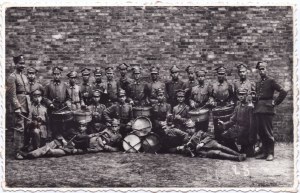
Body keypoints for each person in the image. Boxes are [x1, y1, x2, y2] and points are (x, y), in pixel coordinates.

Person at [253, 61, 287, 161]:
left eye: (263, 69)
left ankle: (270, 153)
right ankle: (264, 152)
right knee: (261, 132)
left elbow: (283, 91)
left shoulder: (271, 81)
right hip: (258, 109)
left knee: (268, 132)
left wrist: (275, 102)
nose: (261, 71)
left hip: (267, 110)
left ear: (266, 69)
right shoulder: (258, 83)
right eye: (260, 69)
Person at [218, 89, 256, 157]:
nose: (241, 96)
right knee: (225, 135)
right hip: (238, 129)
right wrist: (224, 124)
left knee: (249, 154)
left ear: (246, 95)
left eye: (243, 94)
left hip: (246, 131)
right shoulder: (237, 107)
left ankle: (246, 149)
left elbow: (252, 124)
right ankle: (235, 151)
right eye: (240, 95)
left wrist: (252, 137)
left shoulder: (250, 107)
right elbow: (232, 120)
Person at [6, 55, 31, 158]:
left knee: (27, 128)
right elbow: (11, 94)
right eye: (20, 63)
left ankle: (24, 149)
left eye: (23, 63)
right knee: (19, 128)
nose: (23, 65)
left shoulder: (24, 76)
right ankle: (17, 152)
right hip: (19, 105)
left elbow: (27, 92)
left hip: (27, 104)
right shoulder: (12, 77)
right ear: (15, 64)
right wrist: (17, 107)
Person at [179, 129, 247, 162]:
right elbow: (184, 152)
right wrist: (187, 149)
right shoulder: (186, 140)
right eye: (189, 128)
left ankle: (239, 154)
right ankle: (236, 158)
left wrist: (202, 143)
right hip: (202, 151)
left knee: (220, 146)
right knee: (217, 153)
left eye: (192, 127)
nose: (191, 129)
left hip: (210, 143)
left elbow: (211, 135)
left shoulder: (199, 132)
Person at [211, 66, 237, 151]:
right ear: (217, 75)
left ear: (225, 74)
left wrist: (230, 103)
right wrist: (212, 101)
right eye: (219, 74)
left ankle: (228, 145)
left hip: (226, 109)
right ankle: (218, 144)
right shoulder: (213, 85)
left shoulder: (229, 85)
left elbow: (232, 97)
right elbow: (211, 97)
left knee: (226, 126)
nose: (221, 76)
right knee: (217, 126)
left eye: (222, 74)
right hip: (217, 108)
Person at [44, 66, 69, 137]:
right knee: (53, 125)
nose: (56, 76)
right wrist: (50, 103)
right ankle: (53, 140)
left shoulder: (64, 85)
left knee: (62, 125)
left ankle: (62, 140)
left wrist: (67, 102)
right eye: (55, 74)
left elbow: (68, 97)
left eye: (58, 74)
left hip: (62, 107)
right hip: (52, 108)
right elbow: (44, 97)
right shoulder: (48, 85)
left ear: (60, 75)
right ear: (53, 75)